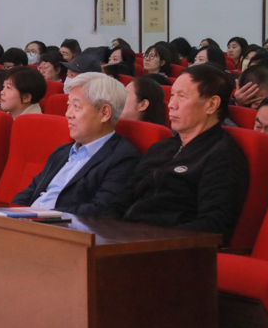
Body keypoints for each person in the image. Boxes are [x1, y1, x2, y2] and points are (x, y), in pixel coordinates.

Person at [102, 64, 250, 245]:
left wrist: (149, 241)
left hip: (167, 248)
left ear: (211, 105)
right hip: (125, 239)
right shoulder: (161, 148)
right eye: (172, 95)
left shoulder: (222, 155)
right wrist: (104, 229)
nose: (171, 105)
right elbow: (123, 199)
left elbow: (213, 225)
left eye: (182, 96)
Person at [13, 73, 140, 214]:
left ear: (104, 113)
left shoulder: (123, 158)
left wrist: (44, 217)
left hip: (60, 225)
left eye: (76, 106)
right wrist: (11, 213)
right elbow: (30, 192)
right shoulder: (62, 152)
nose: (68, 114)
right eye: (68, 105)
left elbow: (101, 210)